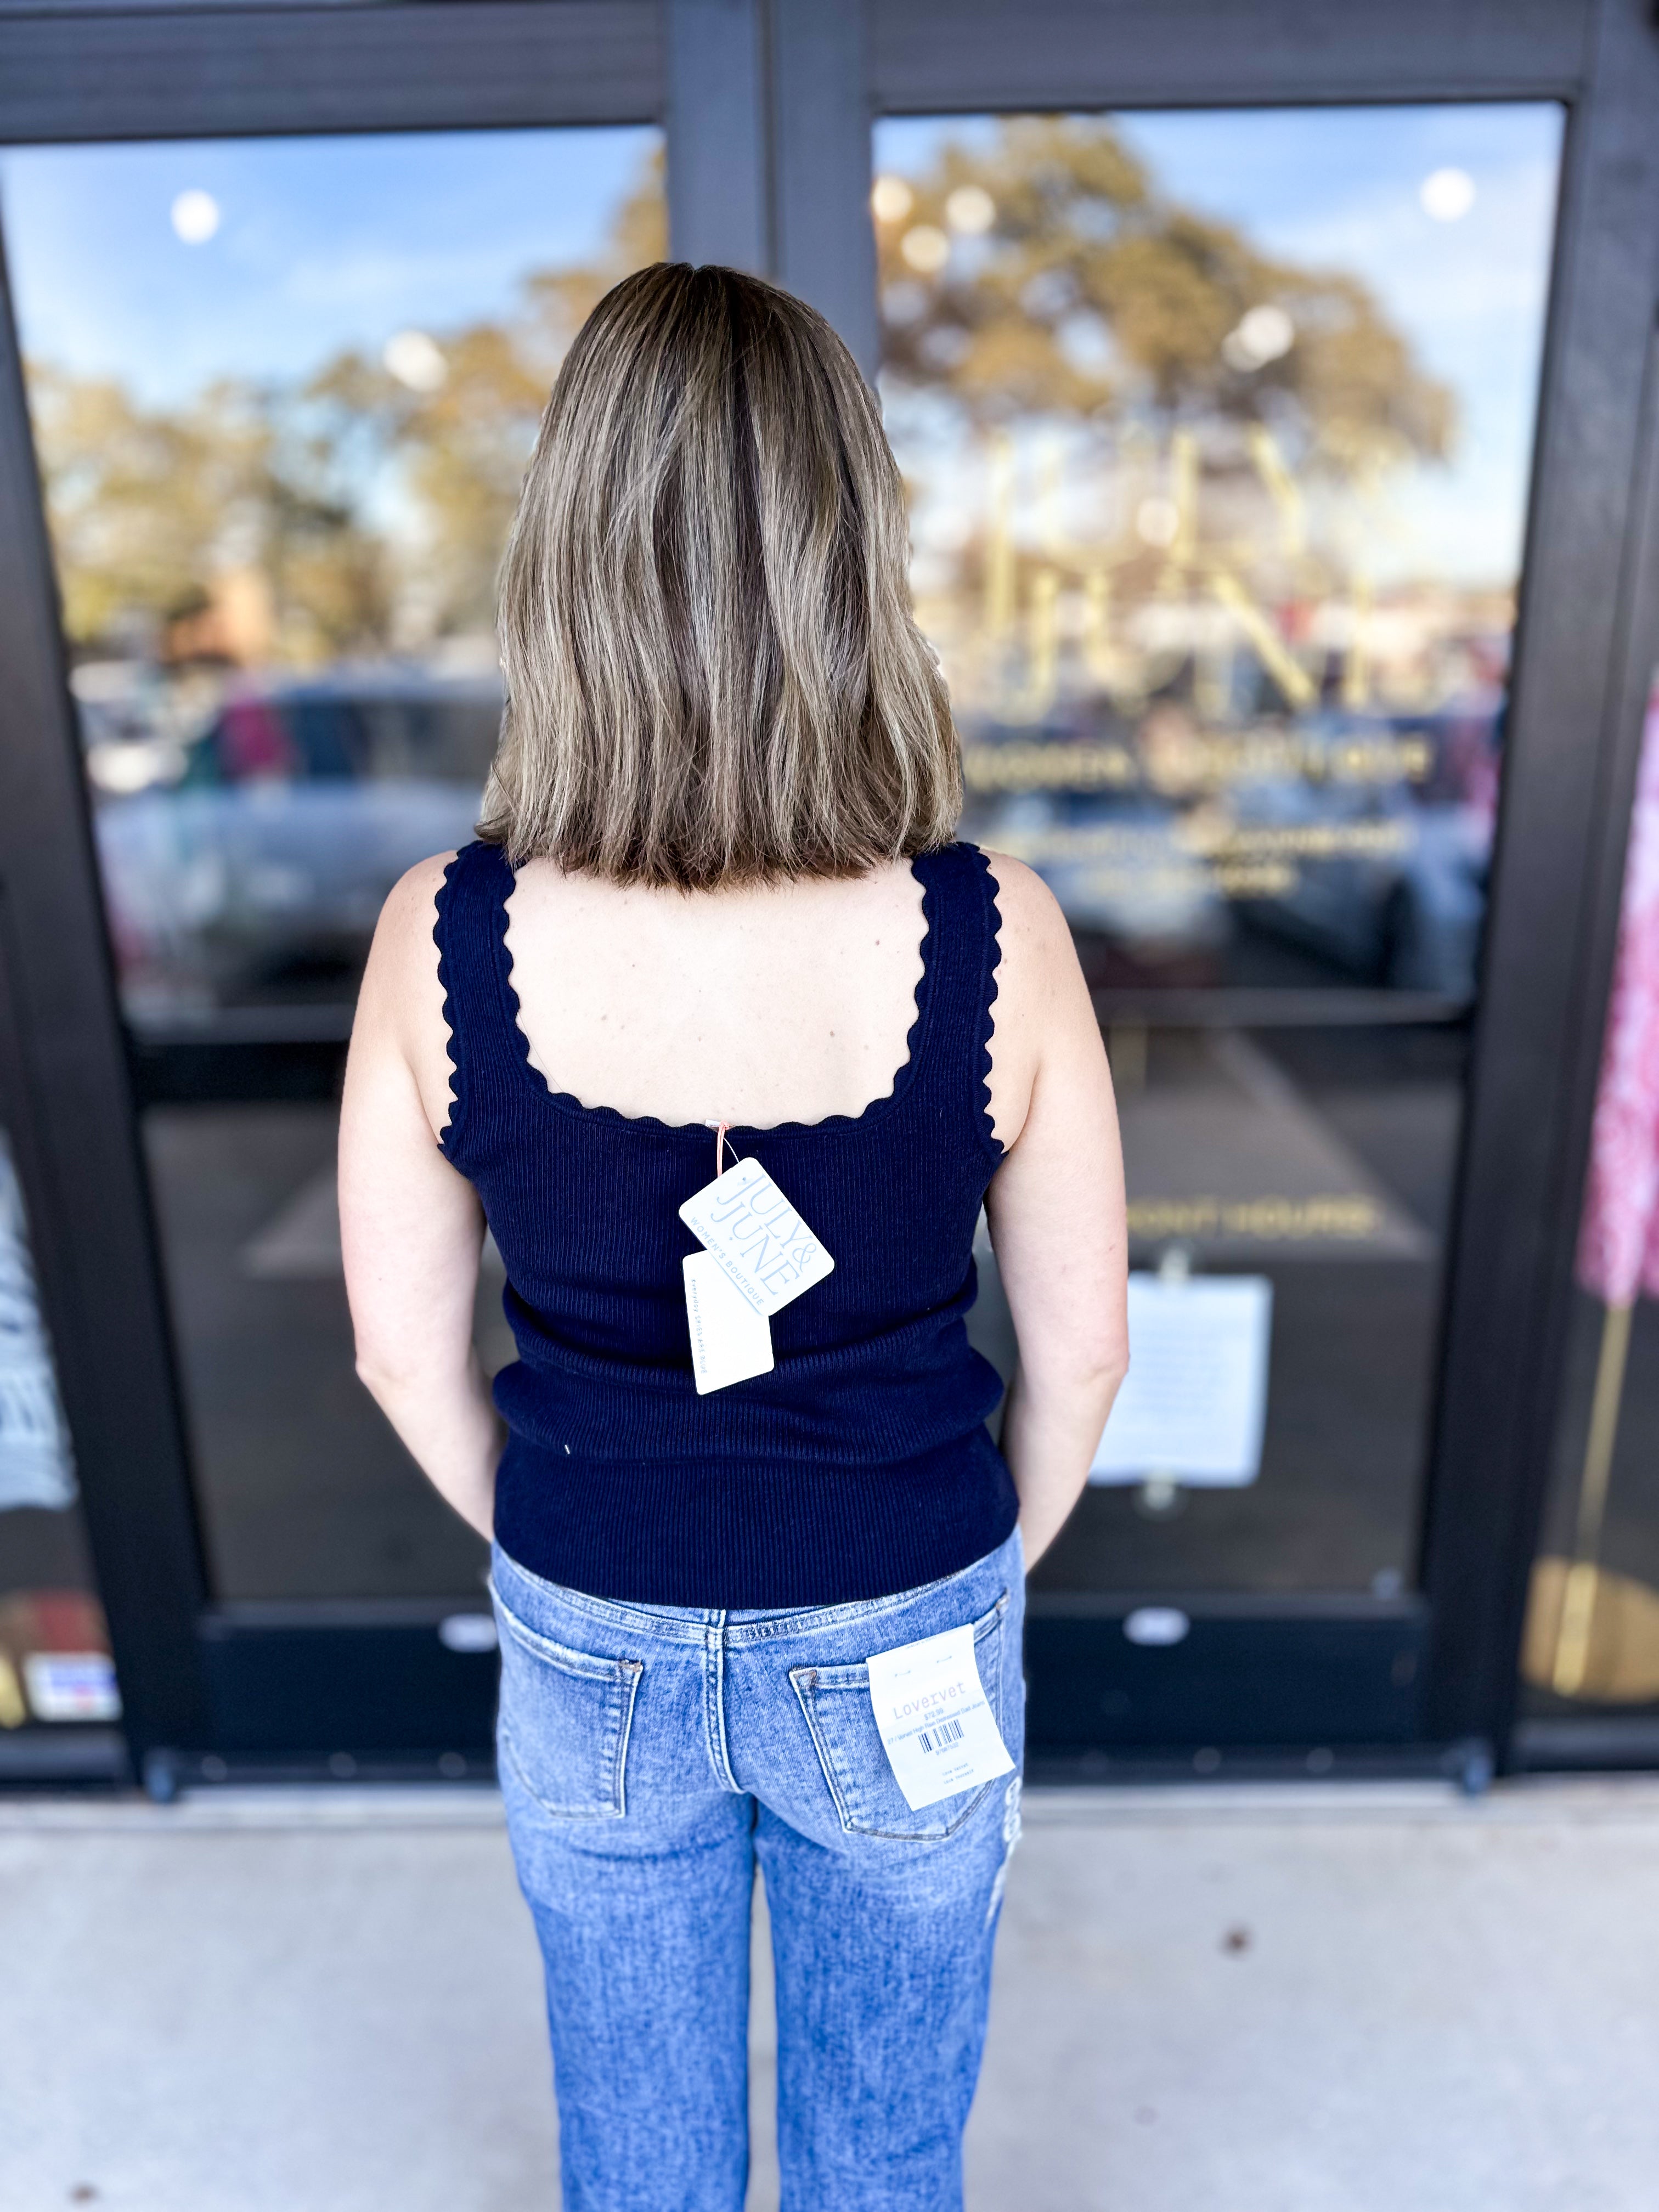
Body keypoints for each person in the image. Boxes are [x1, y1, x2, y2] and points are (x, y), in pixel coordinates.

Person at [339, 262, 1127, 2212]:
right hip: (907, 1605)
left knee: (642, 2160)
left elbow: (397, 1354)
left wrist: (576, 1553)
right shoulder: (992, 929)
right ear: (855, 555)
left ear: (567, 561)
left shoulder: (444, 934)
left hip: (590, 1617)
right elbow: (1088, 1350)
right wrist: (940, 1578)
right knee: (885, 2155)